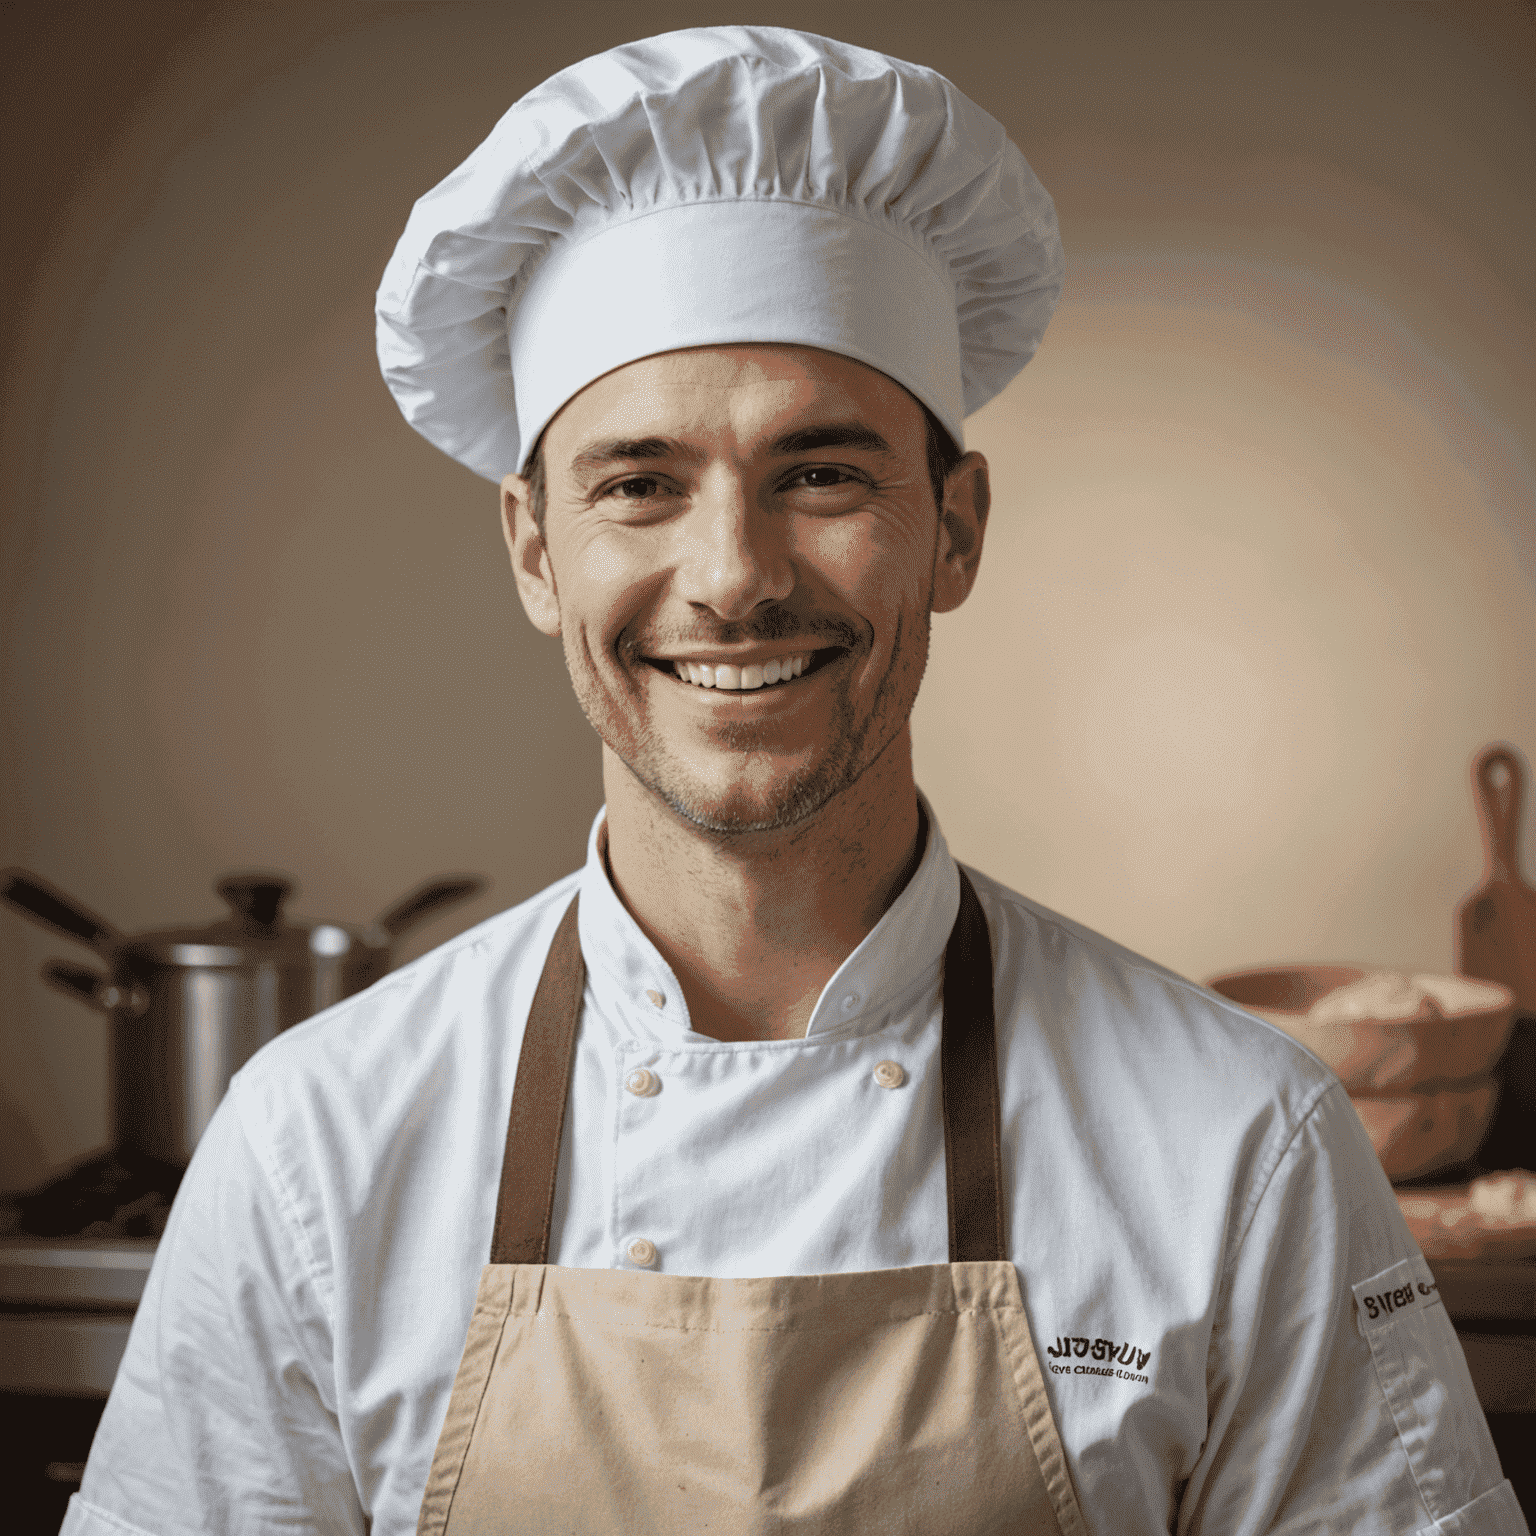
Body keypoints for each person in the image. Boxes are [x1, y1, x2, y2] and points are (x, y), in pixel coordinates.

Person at [64, 25, 1524, 1536]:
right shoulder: (319, 1148)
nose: (735, 579)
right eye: (640, 485)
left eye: (822, 473)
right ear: (532, 550)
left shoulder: (1238, 1143)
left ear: (953, 527)